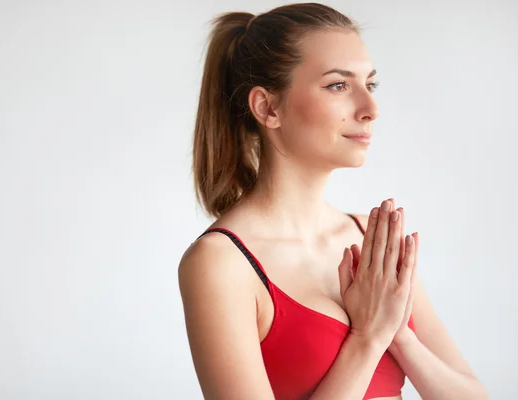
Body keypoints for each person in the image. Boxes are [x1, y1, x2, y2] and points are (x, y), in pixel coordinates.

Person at [178, 3, 487, 399]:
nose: (370, 109)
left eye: (369, 85)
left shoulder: (369, 238)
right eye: (338, 85)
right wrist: (368, 338)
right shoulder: (221, 263)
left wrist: (398, 337)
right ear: (267, 107)